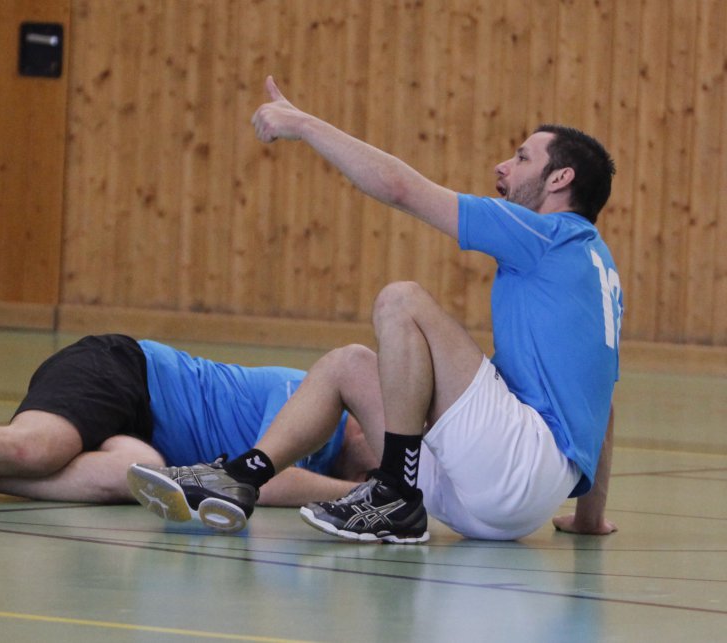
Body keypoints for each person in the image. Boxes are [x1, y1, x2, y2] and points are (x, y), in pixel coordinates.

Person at [127, 76, 621, 542]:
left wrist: (303, 124)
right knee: (348, 364)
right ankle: (241, 476)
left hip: (515, 465)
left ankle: (394, 493)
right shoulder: (598, 271)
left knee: (403, 300)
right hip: (506, 501)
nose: (502, 166)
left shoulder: (549, 235)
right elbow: (605, 404)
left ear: (561, 178)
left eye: (521, 157)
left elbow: (400, 189)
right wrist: (589, 518)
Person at [0, 335, 379, 512]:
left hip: (148, 442)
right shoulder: (310, 397)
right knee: (37, 447)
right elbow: (263, 482)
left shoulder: (326, 459)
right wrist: (358, 494)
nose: (377, 468)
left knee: (135, 475)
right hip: (127, 372)